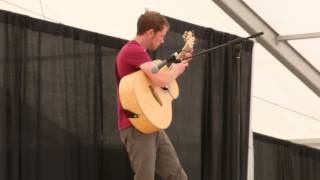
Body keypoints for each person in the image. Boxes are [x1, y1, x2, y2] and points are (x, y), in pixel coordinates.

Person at [115, 11, 191, 180]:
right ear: (150, 32)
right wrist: (176, 71)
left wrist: (173, 69)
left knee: (178, 176)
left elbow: (155, 85)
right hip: (136, 125)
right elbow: (162, 81)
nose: (163, 40)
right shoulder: (133, 51)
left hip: (150, 123)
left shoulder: (140, 55)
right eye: (161, 36)